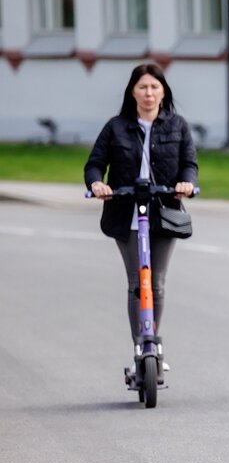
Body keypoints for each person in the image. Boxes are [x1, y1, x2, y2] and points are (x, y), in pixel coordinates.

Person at [85, 63, 198, 366]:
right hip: (125, 213)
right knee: (138, 281)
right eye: (142, 87)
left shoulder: (177, 125)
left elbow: (190, 164)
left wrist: (187, 183)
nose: (149, 93)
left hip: (164, 211)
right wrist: (97, 183)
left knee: (156, 282)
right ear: (132, 92)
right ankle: (140, 346)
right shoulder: (116, 126)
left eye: (154, 87)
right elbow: (95, 163)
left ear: (163, 92)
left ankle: (152, 344)